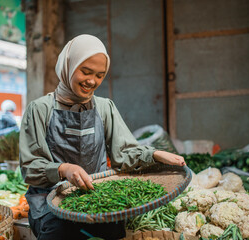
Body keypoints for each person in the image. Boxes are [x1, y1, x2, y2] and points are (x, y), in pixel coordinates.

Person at [19, 34, 185, 240]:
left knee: (113, 233)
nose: (92, 81)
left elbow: (124, 154)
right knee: (59, 233)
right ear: (67, 66)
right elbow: (30, 168)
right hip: (50, 203)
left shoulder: (105, 108)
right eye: (86, 72)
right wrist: (63, 170)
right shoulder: (39, 109)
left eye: (99, 75)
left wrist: (156, 155)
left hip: (96, 199)